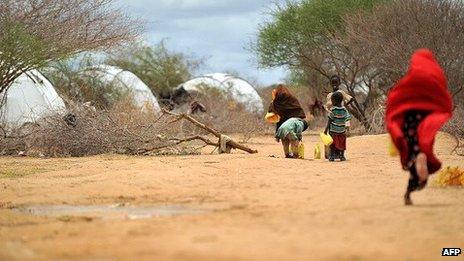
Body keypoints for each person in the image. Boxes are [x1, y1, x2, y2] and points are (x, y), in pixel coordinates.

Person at [386, 49, 453, 205]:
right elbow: (442, 95)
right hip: (424, 124)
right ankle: (419, 163)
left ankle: (410, 184)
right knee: (423, 147)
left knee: (412, 152)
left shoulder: (409, 80)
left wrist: (393, 114)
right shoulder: (434, 78)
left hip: (409, 124)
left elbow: (395, 97)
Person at [267, 84, 309, 158]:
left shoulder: (276, 102)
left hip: (283, 126)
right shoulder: (292, 99)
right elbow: (298, 122)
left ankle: (287, 154)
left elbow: (277, 119)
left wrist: (277, 134)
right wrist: (299, 137)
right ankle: (295, 155)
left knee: (285, 141)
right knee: (294, 140)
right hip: (292, 125)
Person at [324, 91, 351, 161]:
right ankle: (342, 156)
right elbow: (348, 118)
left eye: (332, 100)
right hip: (342, 131)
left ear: (335, 101)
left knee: (332, 144)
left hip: (334, 131)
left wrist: (326, 130)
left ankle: (332, 156)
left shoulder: (333, 110)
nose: (331, 102)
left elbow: (330, 120)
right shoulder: (344, 110)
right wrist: (347, 129)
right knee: (342, 144)